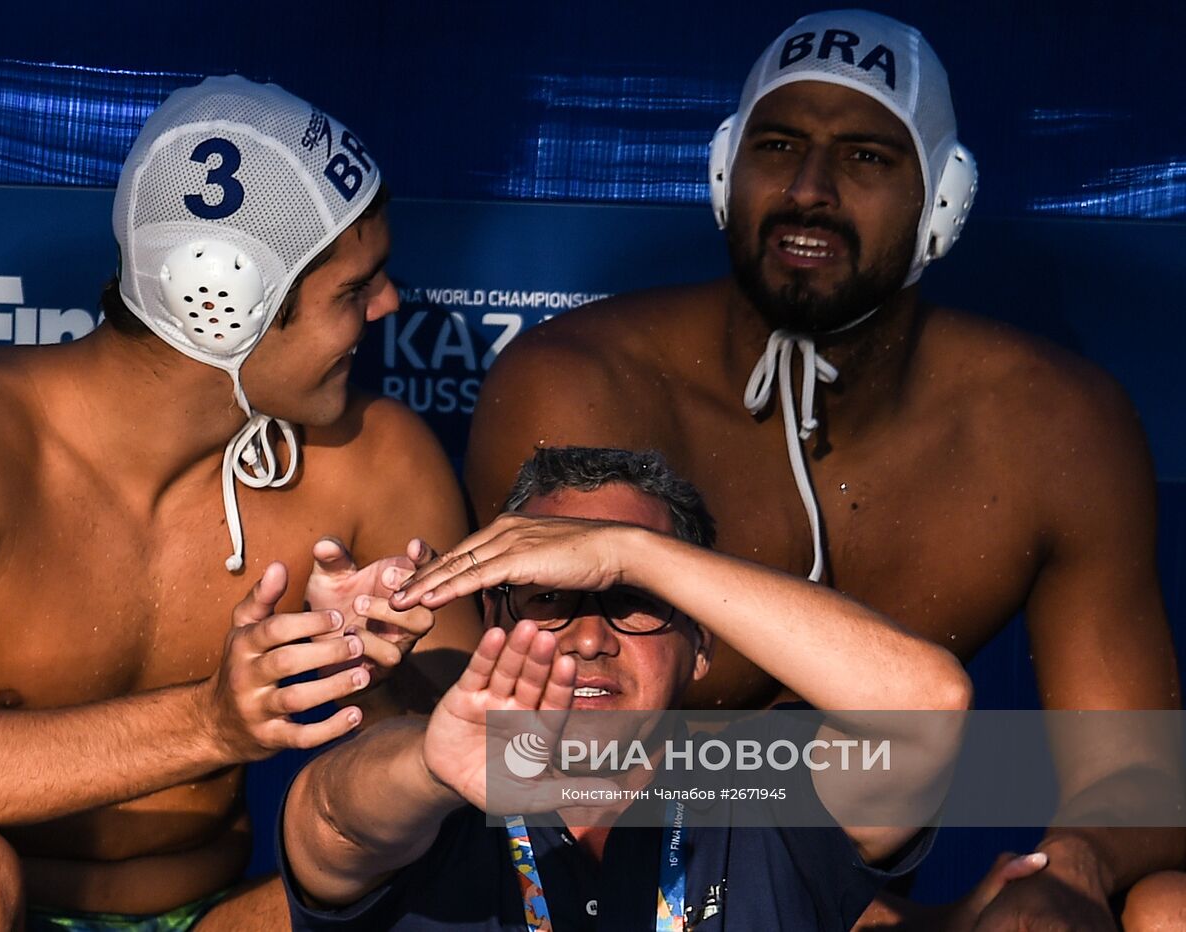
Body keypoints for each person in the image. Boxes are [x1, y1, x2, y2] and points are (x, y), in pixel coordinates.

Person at [463, 10, 1184, 928]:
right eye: (779, 145)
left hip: (865, 894)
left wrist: (1069, 864)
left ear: (944, 202)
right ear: (727, 172)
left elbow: (1139, 770)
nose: (808, 189)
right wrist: (806, 799)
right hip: (615, 886)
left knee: (1164, 909)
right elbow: (501, 746)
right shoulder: (580, 385)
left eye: (865, 158)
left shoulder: (1051, 426)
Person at [0, 76, 479, 931]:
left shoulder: (374, 459)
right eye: (355, 289)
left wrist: (375, 678)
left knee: (391, 891)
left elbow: (485, 765)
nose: (390, 304)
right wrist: (209, 723)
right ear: (226, 304)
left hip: (205, 913)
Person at [281, 446, 972, 930]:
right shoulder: (424, 791)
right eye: (551, 595)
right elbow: (328, 819)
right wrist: (435, 770)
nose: (589, 639)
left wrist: (625, 551)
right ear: (493, 616)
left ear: (701, 642)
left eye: (632, 598)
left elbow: (928, 707)